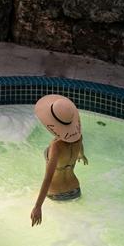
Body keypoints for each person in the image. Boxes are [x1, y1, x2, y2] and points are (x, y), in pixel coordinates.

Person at [30, 94, 88, 226]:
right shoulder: (78, 138)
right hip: (75, 190)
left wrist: (38, 206)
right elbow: (80, 145)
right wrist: (81, 155)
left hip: (55, 194)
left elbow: (48, 178)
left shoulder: (56, 147)